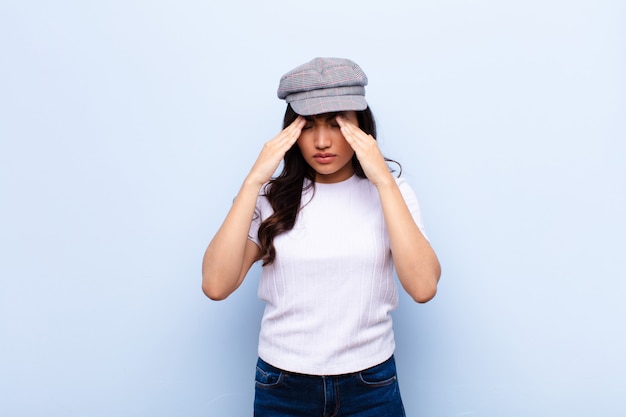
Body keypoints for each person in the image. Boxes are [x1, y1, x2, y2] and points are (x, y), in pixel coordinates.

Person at [202, 57, 441, 417]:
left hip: (371, 384)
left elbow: (423, 288)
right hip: (283, 385)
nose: (323, 141)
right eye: (309, 126)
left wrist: (382, 180)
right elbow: (216, 285)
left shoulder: (392, 192)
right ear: (291, 131)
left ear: (361, 126)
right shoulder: (270, 197)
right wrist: (253, 181)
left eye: (335, 124)